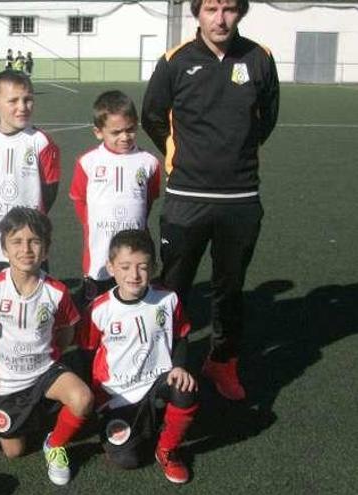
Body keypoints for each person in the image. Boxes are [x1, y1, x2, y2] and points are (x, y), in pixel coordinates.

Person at [141, 0, 279, 401]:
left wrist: (236, 154)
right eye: (212, 8)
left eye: (230, 9)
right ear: (196, 13)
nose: (220, 19)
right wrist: (178, 154)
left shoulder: (259, 58)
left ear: (241, 12)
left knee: (229, 287)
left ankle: (222, 361)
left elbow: (266, 118)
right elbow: (153, 115)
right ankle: (168, 362)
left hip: (240, 197)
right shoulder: (175, 61)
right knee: (174, 287)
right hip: (187, 196)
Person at [76, 229, 198, 484]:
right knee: (128, 459)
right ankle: (138, 423)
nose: (134, 274)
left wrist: (179, 367)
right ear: (110, 267)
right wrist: (96, 400)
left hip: (158, 380)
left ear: (153, 267)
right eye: (125, 266)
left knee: (186, 389)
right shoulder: (99, 309)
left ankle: (167, 450)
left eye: (142, 267)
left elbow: (181, 336)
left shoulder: (168, 299)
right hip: (117, 394)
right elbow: (86, 353)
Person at [0, 207, 92, 486]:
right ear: (4, 248)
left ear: (46, 250)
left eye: (34, 241)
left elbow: (66, 333)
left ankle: (55, 444)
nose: (26, 249)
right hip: (10, 381)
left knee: (83, 399)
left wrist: (50, 356)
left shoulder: (57, 291)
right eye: (17, 242)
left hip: (46, 371)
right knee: (14, 452)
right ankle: (34, 413)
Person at [0, 70, 61, 281]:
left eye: (28, 100)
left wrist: (28, 219)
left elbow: (49, 193)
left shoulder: (42, 142)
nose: (22, 107)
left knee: (34, 295)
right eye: (13, 101)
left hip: (30, 239)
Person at [70, 90, 160, 306]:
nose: (124, 137)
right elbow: (79, 201)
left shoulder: (148, 162)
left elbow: (148, 201)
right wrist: (95, 225)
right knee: (94, 308)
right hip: (99, 253)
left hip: (134, 253)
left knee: (133, 303)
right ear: (99, 132)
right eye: (116, 132)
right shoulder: (88, 162)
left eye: (130, 130)